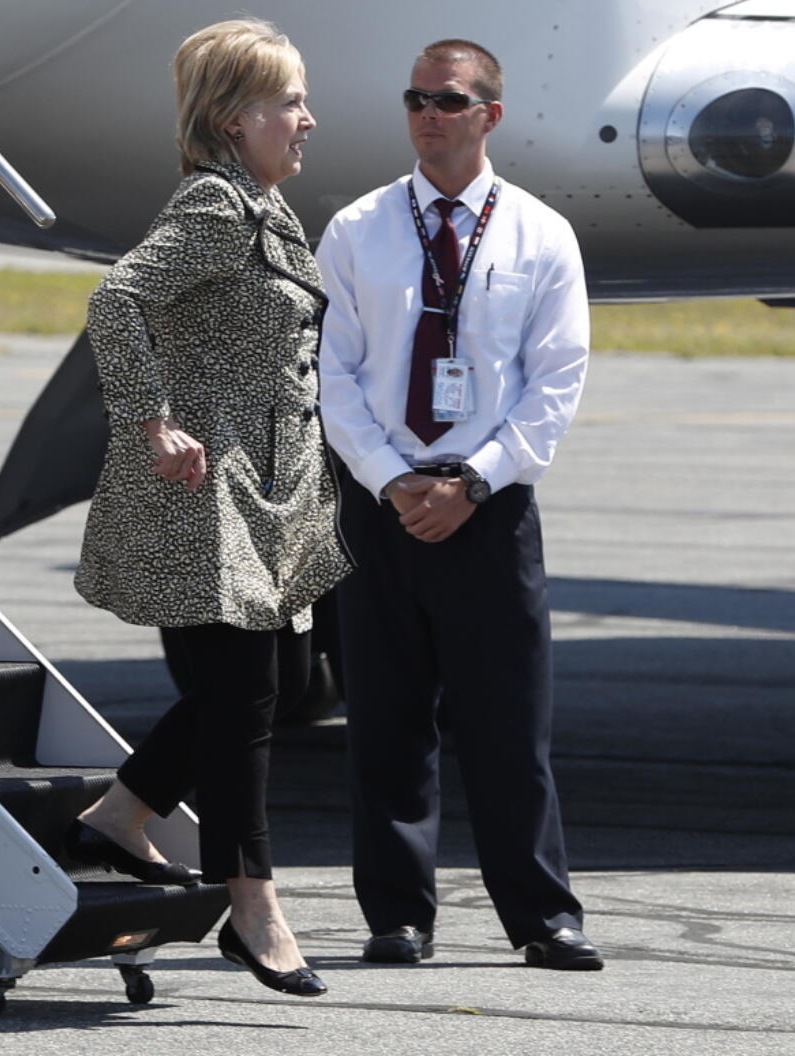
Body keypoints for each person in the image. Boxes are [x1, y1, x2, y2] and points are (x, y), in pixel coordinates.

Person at [68, 19, 352, 996]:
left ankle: (121, 814)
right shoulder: (215, 208)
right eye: (288, 103)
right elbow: (117, 302)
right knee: (248, 700)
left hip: (261, 492)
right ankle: (252, 899)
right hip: (204, 492)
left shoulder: (265, 207)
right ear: (235, 119)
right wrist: (151, 422)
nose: (307, 118)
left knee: (271, 686)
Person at [316, 38, 602, 970]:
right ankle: (398, 916)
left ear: (491, 115)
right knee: (387, 725)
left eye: (448, 99)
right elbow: (333, 373)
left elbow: (554, 384)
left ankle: (542, 916)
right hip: (382, 505)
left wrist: (472, 482)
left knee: (507, 727)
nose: (428, 114)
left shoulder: (539, 234)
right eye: (416, 100)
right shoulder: (358, 228)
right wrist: (392, 481)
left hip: (490, 508)